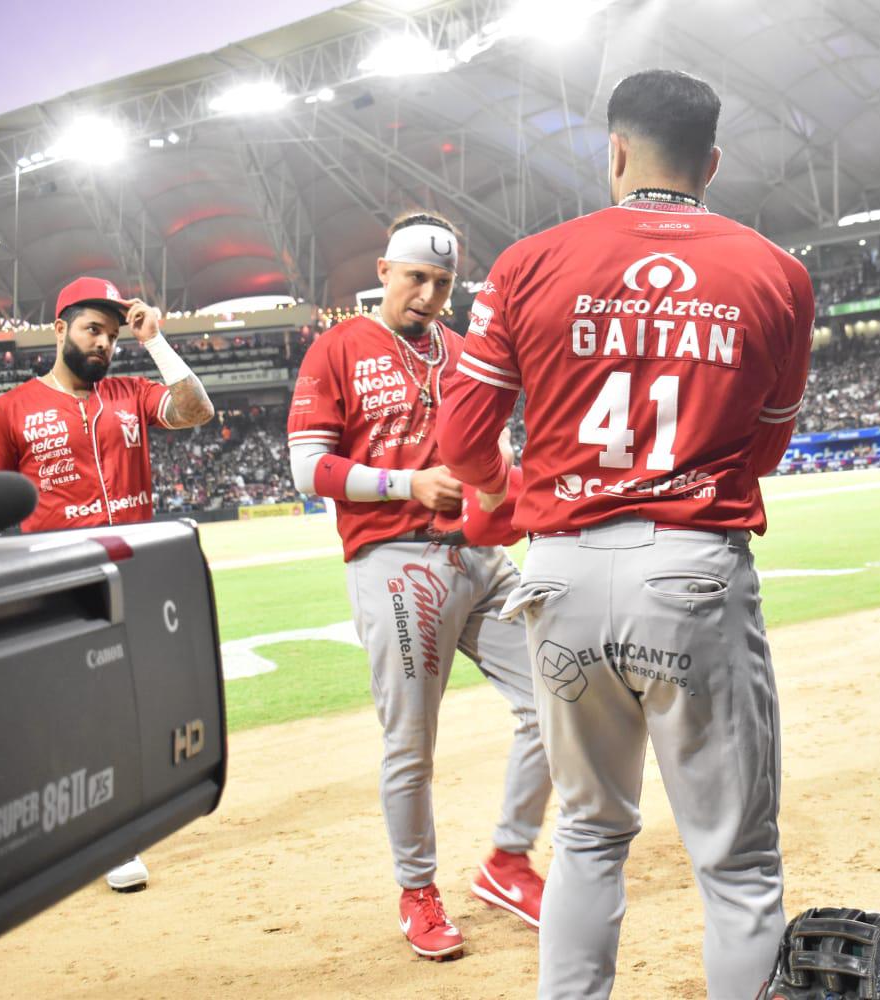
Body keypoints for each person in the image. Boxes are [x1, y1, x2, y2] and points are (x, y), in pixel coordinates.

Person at [438, 68, 813, 1000]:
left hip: (560, 571)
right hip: (692, 570)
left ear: (614, 150)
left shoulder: (529, 261)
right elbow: (763, 450)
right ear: (712, 162)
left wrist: (504, 492)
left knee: (588, 836)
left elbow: (462, 441)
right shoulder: (777, 273)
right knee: (736, 868)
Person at [285, 212, 552, 962]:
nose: (429, 294)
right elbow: (308, 470)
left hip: (478, 557)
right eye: (416, 278)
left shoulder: (467, 351)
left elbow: (494, 451)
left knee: (556, 700)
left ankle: (506, 861)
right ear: (383, 272)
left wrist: (511, 496)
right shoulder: (335, 349)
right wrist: (408, 481)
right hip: (394, 559)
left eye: (442, 282)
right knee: (411, 742)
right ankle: (418, 890)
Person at [0, 275, 217, 891]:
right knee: (71, 706)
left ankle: (118, 830)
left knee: (135, 699)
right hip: (59, 577)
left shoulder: (131, 390)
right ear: (59, 328)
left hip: (135, 565)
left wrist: (156, 342)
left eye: (113, 336)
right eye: (93, 330)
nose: (104, 345)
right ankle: (69, 830)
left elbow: (197, 410)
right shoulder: (9, 410)